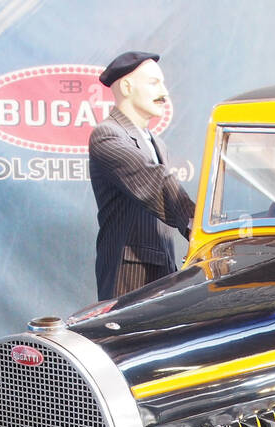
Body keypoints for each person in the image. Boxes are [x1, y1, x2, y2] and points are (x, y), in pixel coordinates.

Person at [89, 50, 196, 300]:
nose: (165, 93)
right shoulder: (107, 135)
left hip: (164, 272)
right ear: (126, 87)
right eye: (154, 83)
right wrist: (199, 226)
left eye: (163, 83)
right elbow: (154, 182)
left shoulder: (157, 143)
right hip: (128, 276)